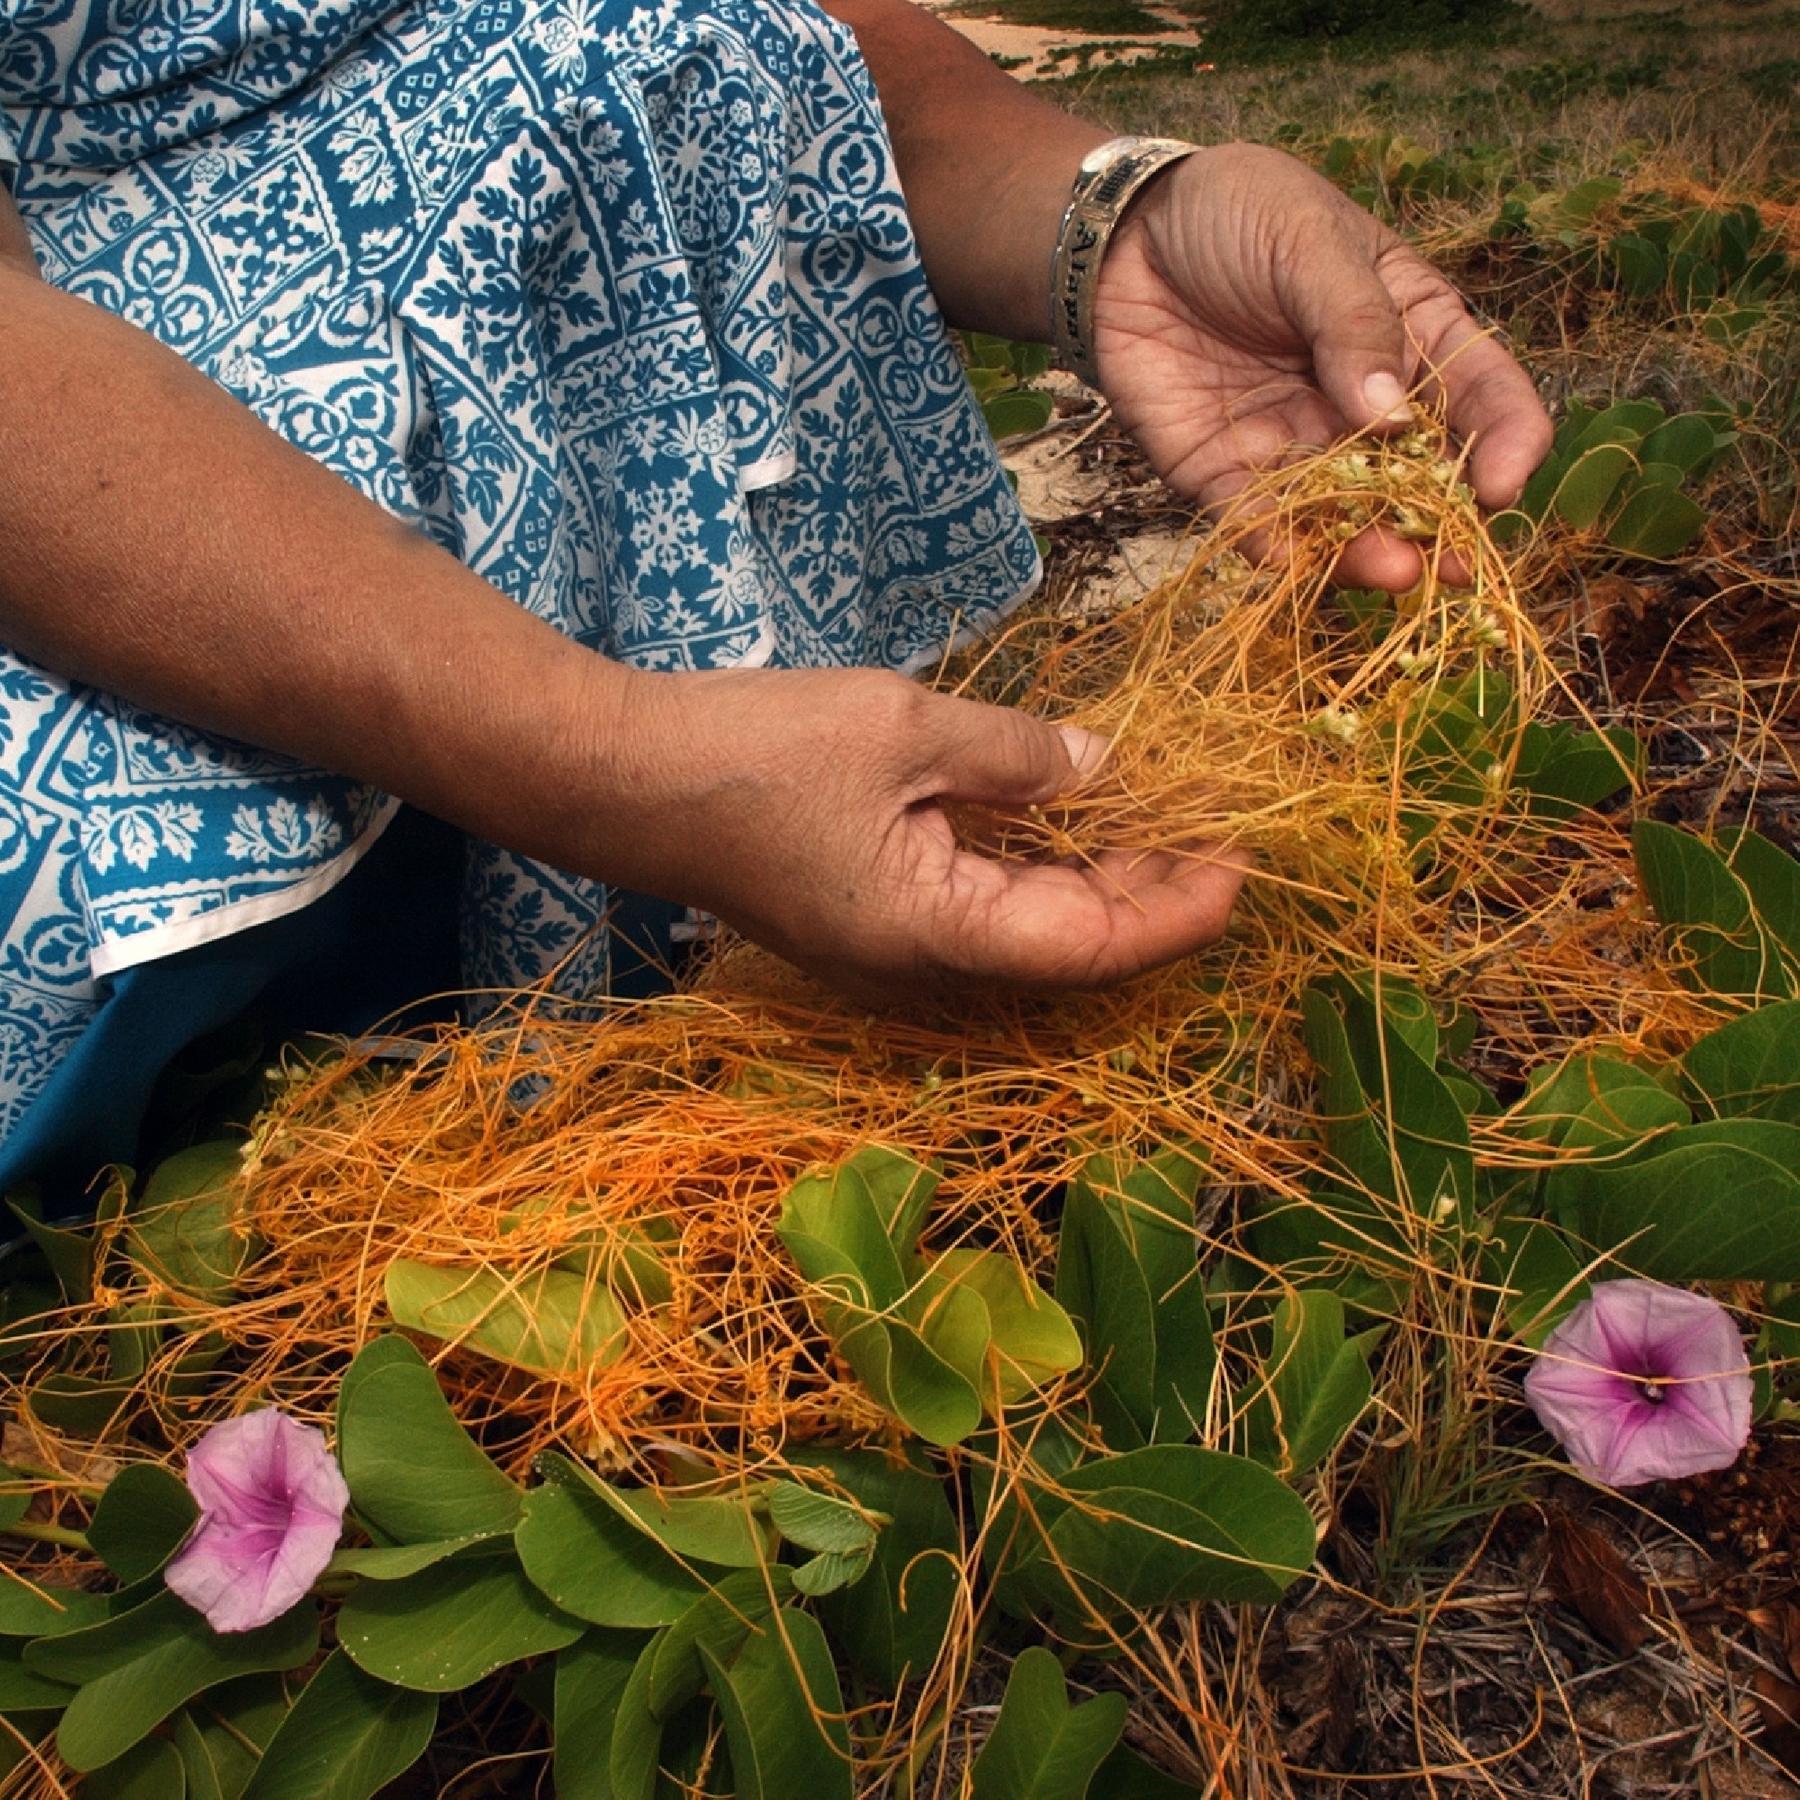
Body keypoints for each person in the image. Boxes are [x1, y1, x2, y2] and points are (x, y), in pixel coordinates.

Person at [0, 0, 1551, 1188]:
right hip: (168, 583)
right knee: (182, 1185)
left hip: (609, 639)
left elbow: (741, 32)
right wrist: (610, 757)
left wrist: (1112, 217)